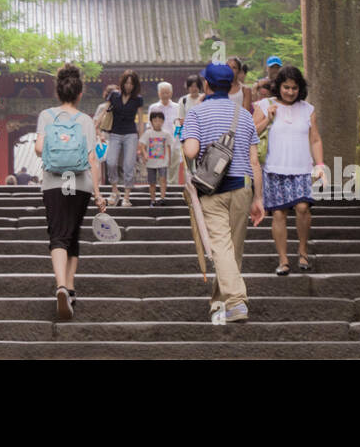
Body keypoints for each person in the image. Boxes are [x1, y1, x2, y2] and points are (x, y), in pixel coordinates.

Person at [182, 63, 264, 323]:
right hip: (242, 188)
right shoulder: (245, 115)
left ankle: (237, 301)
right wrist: (259, 198)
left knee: (221, 248)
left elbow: (191, 152)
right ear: (230, 86)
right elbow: (254, 161)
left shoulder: (197, 113)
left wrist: (188, 138)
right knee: (232, 250)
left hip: (212, 190)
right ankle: (219, 303)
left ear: (206, 84)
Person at [34, 64, 106, 320]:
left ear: (58, 92)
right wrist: (98, 194)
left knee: (57, 234)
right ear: (79, 93)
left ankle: (61, 286)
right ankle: (71, 287)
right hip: (80, 183)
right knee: (72, 233)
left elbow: (39, 149)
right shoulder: (86, 120)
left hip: (55, 181)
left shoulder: (46, 115)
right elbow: (92, 159)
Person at [254, 66, 324, 274]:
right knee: (278, 213)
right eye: (286, 87)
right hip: (274, 168)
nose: (290, 92)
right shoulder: (264, 104)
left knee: (303, 208)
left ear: (300, 88)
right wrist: (268, 118)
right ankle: (283, 259)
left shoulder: (308, 109)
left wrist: (320, 165)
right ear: (279, 86)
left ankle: (303, 251)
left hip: (302, 168)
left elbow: (315, 139)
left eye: (294, 88)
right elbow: (251, 132)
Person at [103, 71, 148, 207]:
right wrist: (98, 123)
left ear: (135, 85)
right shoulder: (114, 96)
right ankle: (115, 191)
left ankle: (126, 197)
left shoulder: (138, 99)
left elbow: (140, 121)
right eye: (127, 83)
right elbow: (106, 111)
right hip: (115, 133)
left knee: (129, 165)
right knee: (110, 162)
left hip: (130, 134)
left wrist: (141, 139)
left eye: (131, 83)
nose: (129, 86)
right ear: (122, 83)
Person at [138, 110, 174, 204]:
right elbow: (142, 144)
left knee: (163, 179)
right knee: (152, 182)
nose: (157, 123)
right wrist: (144, 153)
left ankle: (162, 198)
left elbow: (169, 147)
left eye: (160, 120)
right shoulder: (148, 133)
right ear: (151, 122)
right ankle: (153, 199)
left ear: (163, 122)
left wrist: (169, 160)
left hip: (163, 161)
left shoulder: (166, 134)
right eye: (155, 120)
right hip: (151, 162)